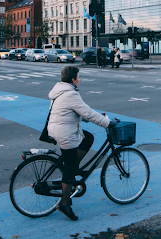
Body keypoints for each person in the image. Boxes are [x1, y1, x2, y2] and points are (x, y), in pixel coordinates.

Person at [47, 65, 116, 221]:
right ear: (73, 79)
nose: (79, 80)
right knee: (70, 169)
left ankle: (72, 168)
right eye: (78, 77)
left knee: (88, 138)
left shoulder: (60, 90)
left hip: (58, 129)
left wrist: (93, 117)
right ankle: (64, 204)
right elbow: (88, 113)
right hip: (65, 133)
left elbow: (81, 111)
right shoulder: (71, 94)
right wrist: (108, 123)